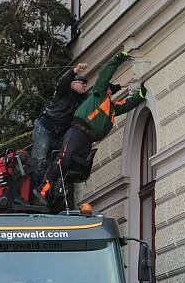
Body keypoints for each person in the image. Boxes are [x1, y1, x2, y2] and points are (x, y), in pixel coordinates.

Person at [40, 50, 146, 204]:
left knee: (76, 169)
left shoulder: (111, 108)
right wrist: (118, 59)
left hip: (87, 140)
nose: (109, 89)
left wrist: (141, 95)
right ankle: (45, 190)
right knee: (63, 160)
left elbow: (127, 104)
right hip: (77, 133)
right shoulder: (98, 94)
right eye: (109, 88)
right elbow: (105, 75)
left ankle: (59, 194)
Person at [30, 61, 89, 188]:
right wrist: (75, 71)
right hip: (45, 127)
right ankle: (34, 189)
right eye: (82, 83)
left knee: (54, 164)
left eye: (86, 83)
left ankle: (46, 190)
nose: (85, 85)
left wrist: (117, 87)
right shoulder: (63, 93)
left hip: (58, 135)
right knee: (39, 161)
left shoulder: (82, 101)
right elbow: (62, 82)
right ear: (73, 84)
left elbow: (98, 93)